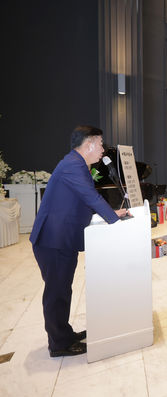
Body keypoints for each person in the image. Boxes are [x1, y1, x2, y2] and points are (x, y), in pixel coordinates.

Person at [30, 125, 126, 357]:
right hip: (53, 241)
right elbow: (90, 197)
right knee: (56, 293)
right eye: (100, 144)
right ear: (89, 144)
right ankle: (59, 345)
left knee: (62, 290)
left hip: (61, 240)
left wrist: (112, 213)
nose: (103, 149)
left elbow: (79, 202)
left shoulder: (75, 164)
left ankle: (64, 334)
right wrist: (114, 220)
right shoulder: (73, 165)